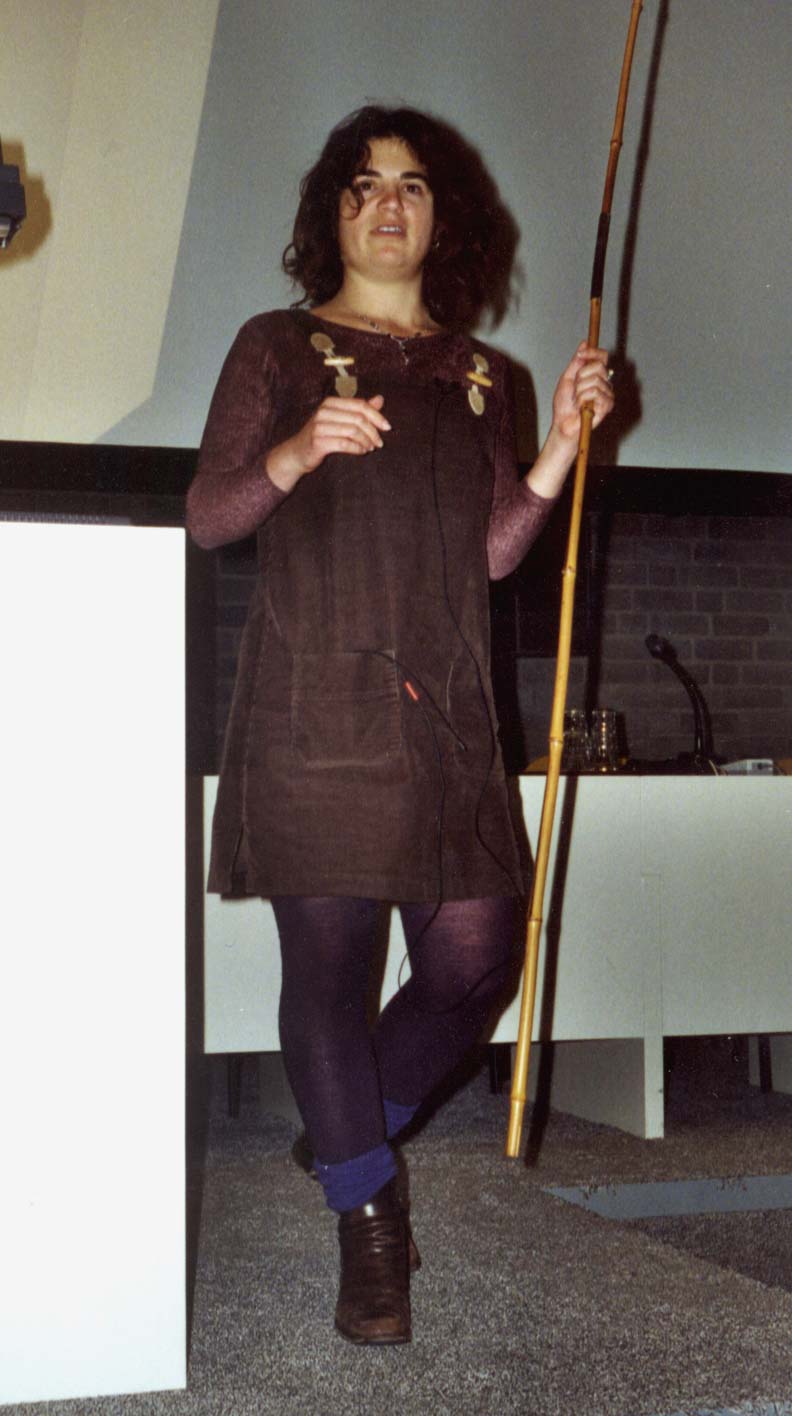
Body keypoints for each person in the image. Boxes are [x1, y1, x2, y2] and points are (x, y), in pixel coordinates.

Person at [187, 105, 614, 1346]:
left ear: (442, 217)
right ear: (333, 213)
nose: (389, 204)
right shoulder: (277, 344)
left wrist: (559, 450)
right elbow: (208, 516)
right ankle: (371, 1231)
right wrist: (294, 450)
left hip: (445, 717)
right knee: (328, 976)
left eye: (413, 186)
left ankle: (345, 1132)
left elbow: (492, 554)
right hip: (315, 705)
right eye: (365, 185)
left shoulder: (485, 375)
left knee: (478, 959)